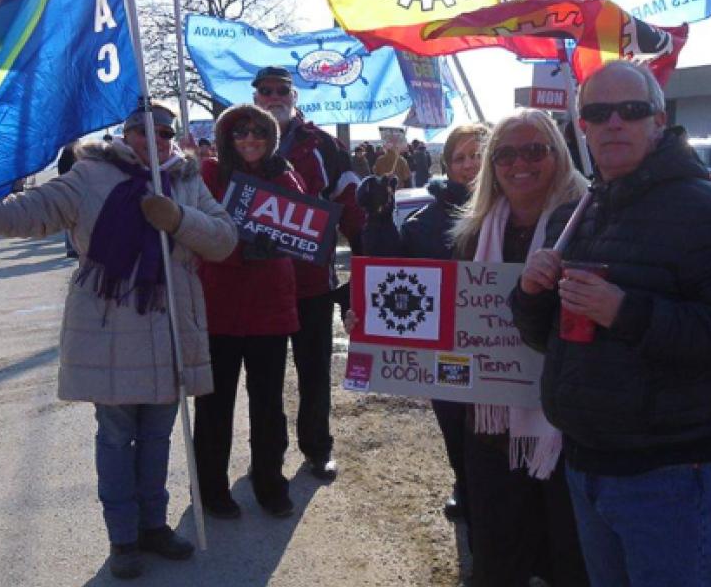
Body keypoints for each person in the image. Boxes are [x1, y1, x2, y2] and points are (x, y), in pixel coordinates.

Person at [511, 60, 711, 587]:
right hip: (585, 462)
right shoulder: (577, 213)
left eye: (630, 112)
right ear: (581, 126)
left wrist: (626, 312)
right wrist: (532, 295)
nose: (614, 123)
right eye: (599, 112)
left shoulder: (709, 210)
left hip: (668, 474)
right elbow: (548, 340)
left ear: (658, 120)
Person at [0, 103, 237, 580]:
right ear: (125, 135)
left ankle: (154, 526)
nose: (157, 140)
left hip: (172, 331)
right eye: (145, 131)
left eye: (165, 132)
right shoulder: (89, 176)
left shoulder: (186, 180)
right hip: (111, 330)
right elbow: (27, 215)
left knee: (157, 438)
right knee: (115, 436)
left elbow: (224, 239)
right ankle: (122, 537)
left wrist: (178, 218)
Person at [450, 109, 590, 587]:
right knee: (498, 549)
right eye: (505, 154)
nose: (519, 164)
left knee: (568, 552)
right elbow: (447, 314)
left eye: (535, 150)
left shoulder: (588, 223)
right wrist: (380, 329)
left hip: (565, 420)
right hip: (492, 418)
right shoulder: (473, 233)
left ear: (559, 155)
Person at [357, 123, 490, 526]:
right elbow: (390, 273)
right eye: (460, 158)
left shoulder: (519, 210)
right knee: (455, 424)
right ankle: (464, 486)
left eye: (479, 154)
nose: (470, 165)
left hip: (504, 347)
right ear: (447, 166)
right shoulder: (423, 222)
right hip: (449, 348)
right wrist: (379, 217)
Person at [252, 65, 364, 481]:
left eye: (282, 90)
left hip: (312, 281)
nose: (274, 97)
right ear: (255, 97)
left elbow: (350, 204)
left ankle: (318, 449)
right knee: (264, 379)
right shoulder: (240, 141)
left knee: (314, 371)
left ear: (294, 96)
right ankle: (266, 459)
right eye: (265, 91)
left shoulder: (323, 145)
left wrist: (368, 257)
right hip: (258, 284)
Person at [194, 104, 305, 520]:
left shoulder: (284, 173)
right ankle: (211, 489)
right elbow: (196, 226)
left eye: (258, 132)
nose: (249, 140)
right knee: (214, 405)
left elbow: (303, 228)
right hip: (219, 304)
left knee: (267, 404)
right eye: (240, 133)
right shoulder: (209, 173)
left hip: (268, 308)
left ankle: (270, 484)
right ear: (227, 138)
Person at [57, 141, 78, 258]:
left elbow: (61, 171)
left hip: (67, 189)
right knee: (74, 220)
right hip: (74, 189)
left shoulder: (65, 155)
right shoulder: (74, 154)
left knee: (69, 220)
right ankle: (73, 248)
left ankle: (71, 247)